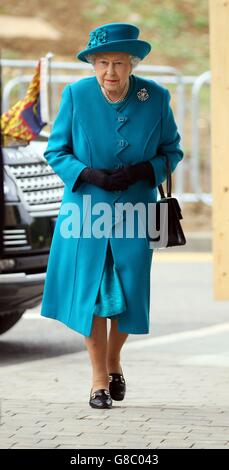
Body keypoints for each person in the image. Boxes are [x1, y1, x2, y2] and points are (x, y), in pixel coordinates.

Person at [40, 22, 184, 409]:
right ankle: (98, 379)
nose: (110, 72)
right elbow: (56, 151)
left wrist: (144, 171)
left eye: (118, 63)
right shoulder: (76, 95)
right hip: (85, 212)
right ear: (92, 64)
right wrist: (87, 174)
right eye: (102, 62)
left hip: (137, 210)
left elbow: (172, 151)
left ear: (132, 63)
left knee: (129, 291)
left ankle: (115, 358)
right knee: (89, 292)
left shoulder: (155, 97)